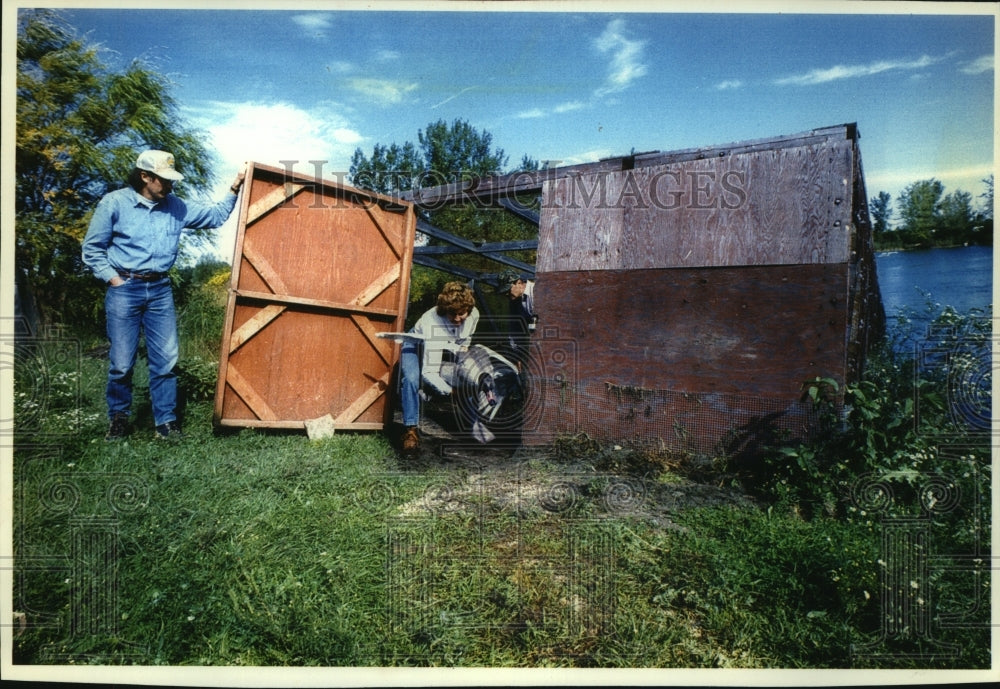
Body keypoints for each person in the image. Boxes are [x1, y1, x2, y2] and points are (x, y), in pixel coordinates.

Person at [82, 149, 245, 441]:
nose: (170, 185)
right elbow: (92, 249)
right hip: (125, 289)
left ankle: (166, 424)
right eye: (164, 179)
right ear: (145, 176)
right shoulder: (114, 203)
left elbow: (216, 216)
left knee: (166, 361)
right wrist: (114, 279)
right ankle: (118, 420)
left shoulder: (176, 207)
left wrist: (235, 188)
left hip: (160, 290)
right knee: (121, 363)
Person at [399, 282, 479, 454]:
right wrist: (452, 392)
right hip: (416, 343)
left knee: (468, 378)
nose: (458, 319)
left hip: (448, 343)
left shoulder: (474, 315)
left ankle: (474, 428)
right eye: (452, 314)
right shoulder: (432, 322)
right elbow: (429, 372)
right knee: (411, 379)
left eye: (462, 314)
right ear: (444, 310)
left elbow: (465, 342)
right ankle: (410, 431)